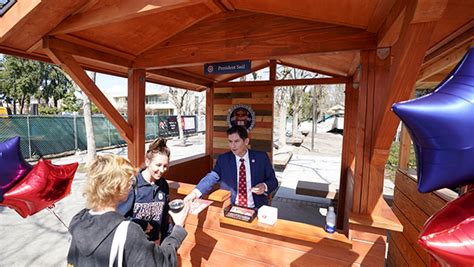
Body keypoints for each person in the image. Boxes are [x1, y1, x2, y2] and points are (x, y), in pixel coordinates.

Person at [67, 154, 189, 266]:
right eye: (129, 180)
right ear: (116, 187)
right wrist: (178, 228)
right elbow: (163, 263)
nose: (131, 184)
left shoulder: (79, 220)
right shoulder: (127, 232)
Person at [185, 125, 278, 209]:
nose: (233, 145)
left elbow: (273, 181)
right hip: (232, 207)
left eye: (237, 141)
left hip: (257, 208)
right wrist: (195, 193)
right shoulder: (223, 160)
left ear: (246, 141)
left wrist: (264, 186)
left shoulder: (261, 158)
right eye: (230, 141)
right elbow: (212, 177)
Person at [117, 138, 172, 243]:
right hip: (133, 245)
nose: (162, 170)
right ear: (147, 162)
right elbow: (120, 218)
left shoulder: (163, 185)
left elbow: (165, 218)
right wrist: (141, 225)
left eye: (165, 166)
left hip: (153, 245)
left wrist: (166, 243)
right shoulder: (133, 184)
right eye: (158, 165)